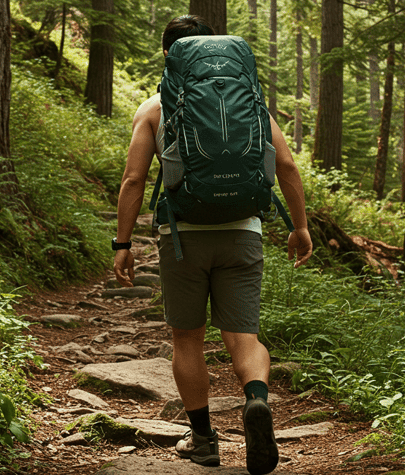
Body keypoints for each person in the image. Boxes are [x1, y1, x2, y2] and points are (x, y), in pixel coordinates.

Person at [111, 15, 312, 475]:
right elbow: (287, 167)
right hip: (243, 233)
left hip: (183, 239)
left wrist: (123, 243)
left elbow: (134, 180)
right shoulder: (252, 104)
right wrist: (299, 227)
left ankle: (203, 441)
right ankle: (256, 401)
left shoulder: (155, 107)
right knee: (244, 336)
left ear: (168, 55)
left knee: (188, 338)